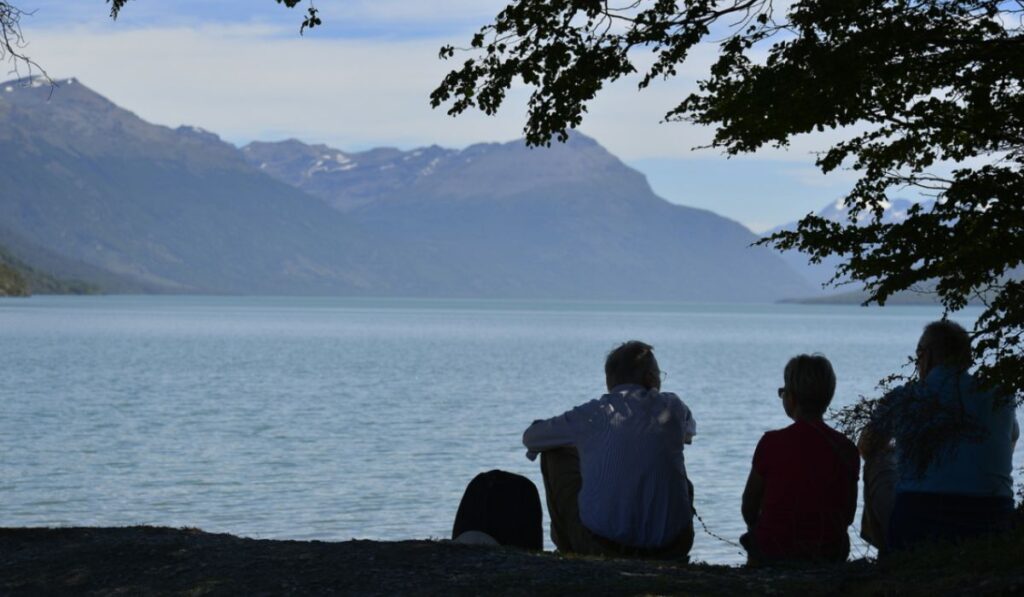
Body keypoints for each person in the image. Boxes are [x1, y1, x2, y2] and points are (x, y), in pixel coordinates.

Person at [522, 341, 696, 559]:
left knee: (554, 451)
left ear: (609, 381)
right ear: (651, 378)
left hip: (603, 547)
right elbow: (688, 435)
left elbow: (531, 438)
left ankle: (569, 549)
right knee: (670, 458)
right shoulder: (674, 407)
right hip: (674, 546)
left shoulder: (592, 414)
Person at [860, 320, 1019, 553]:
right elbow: (1010, 440)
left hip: (919, 527)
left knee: (877, 460)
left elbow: (867, 446)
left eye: (918, 354)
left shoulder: (905, 398)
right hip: (992, 523)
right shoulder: (1000, 396)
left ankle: (890, 556)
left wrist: (897, 453)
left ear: (928, 356)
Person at [740, 354, 859, 565]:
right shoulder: (847, 449)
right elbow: (848, 515)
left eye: (783, 391)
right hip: (830, 552)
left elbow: (749, 507)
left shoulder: (771, 443)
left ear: (792, 398)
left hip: (774, 552)